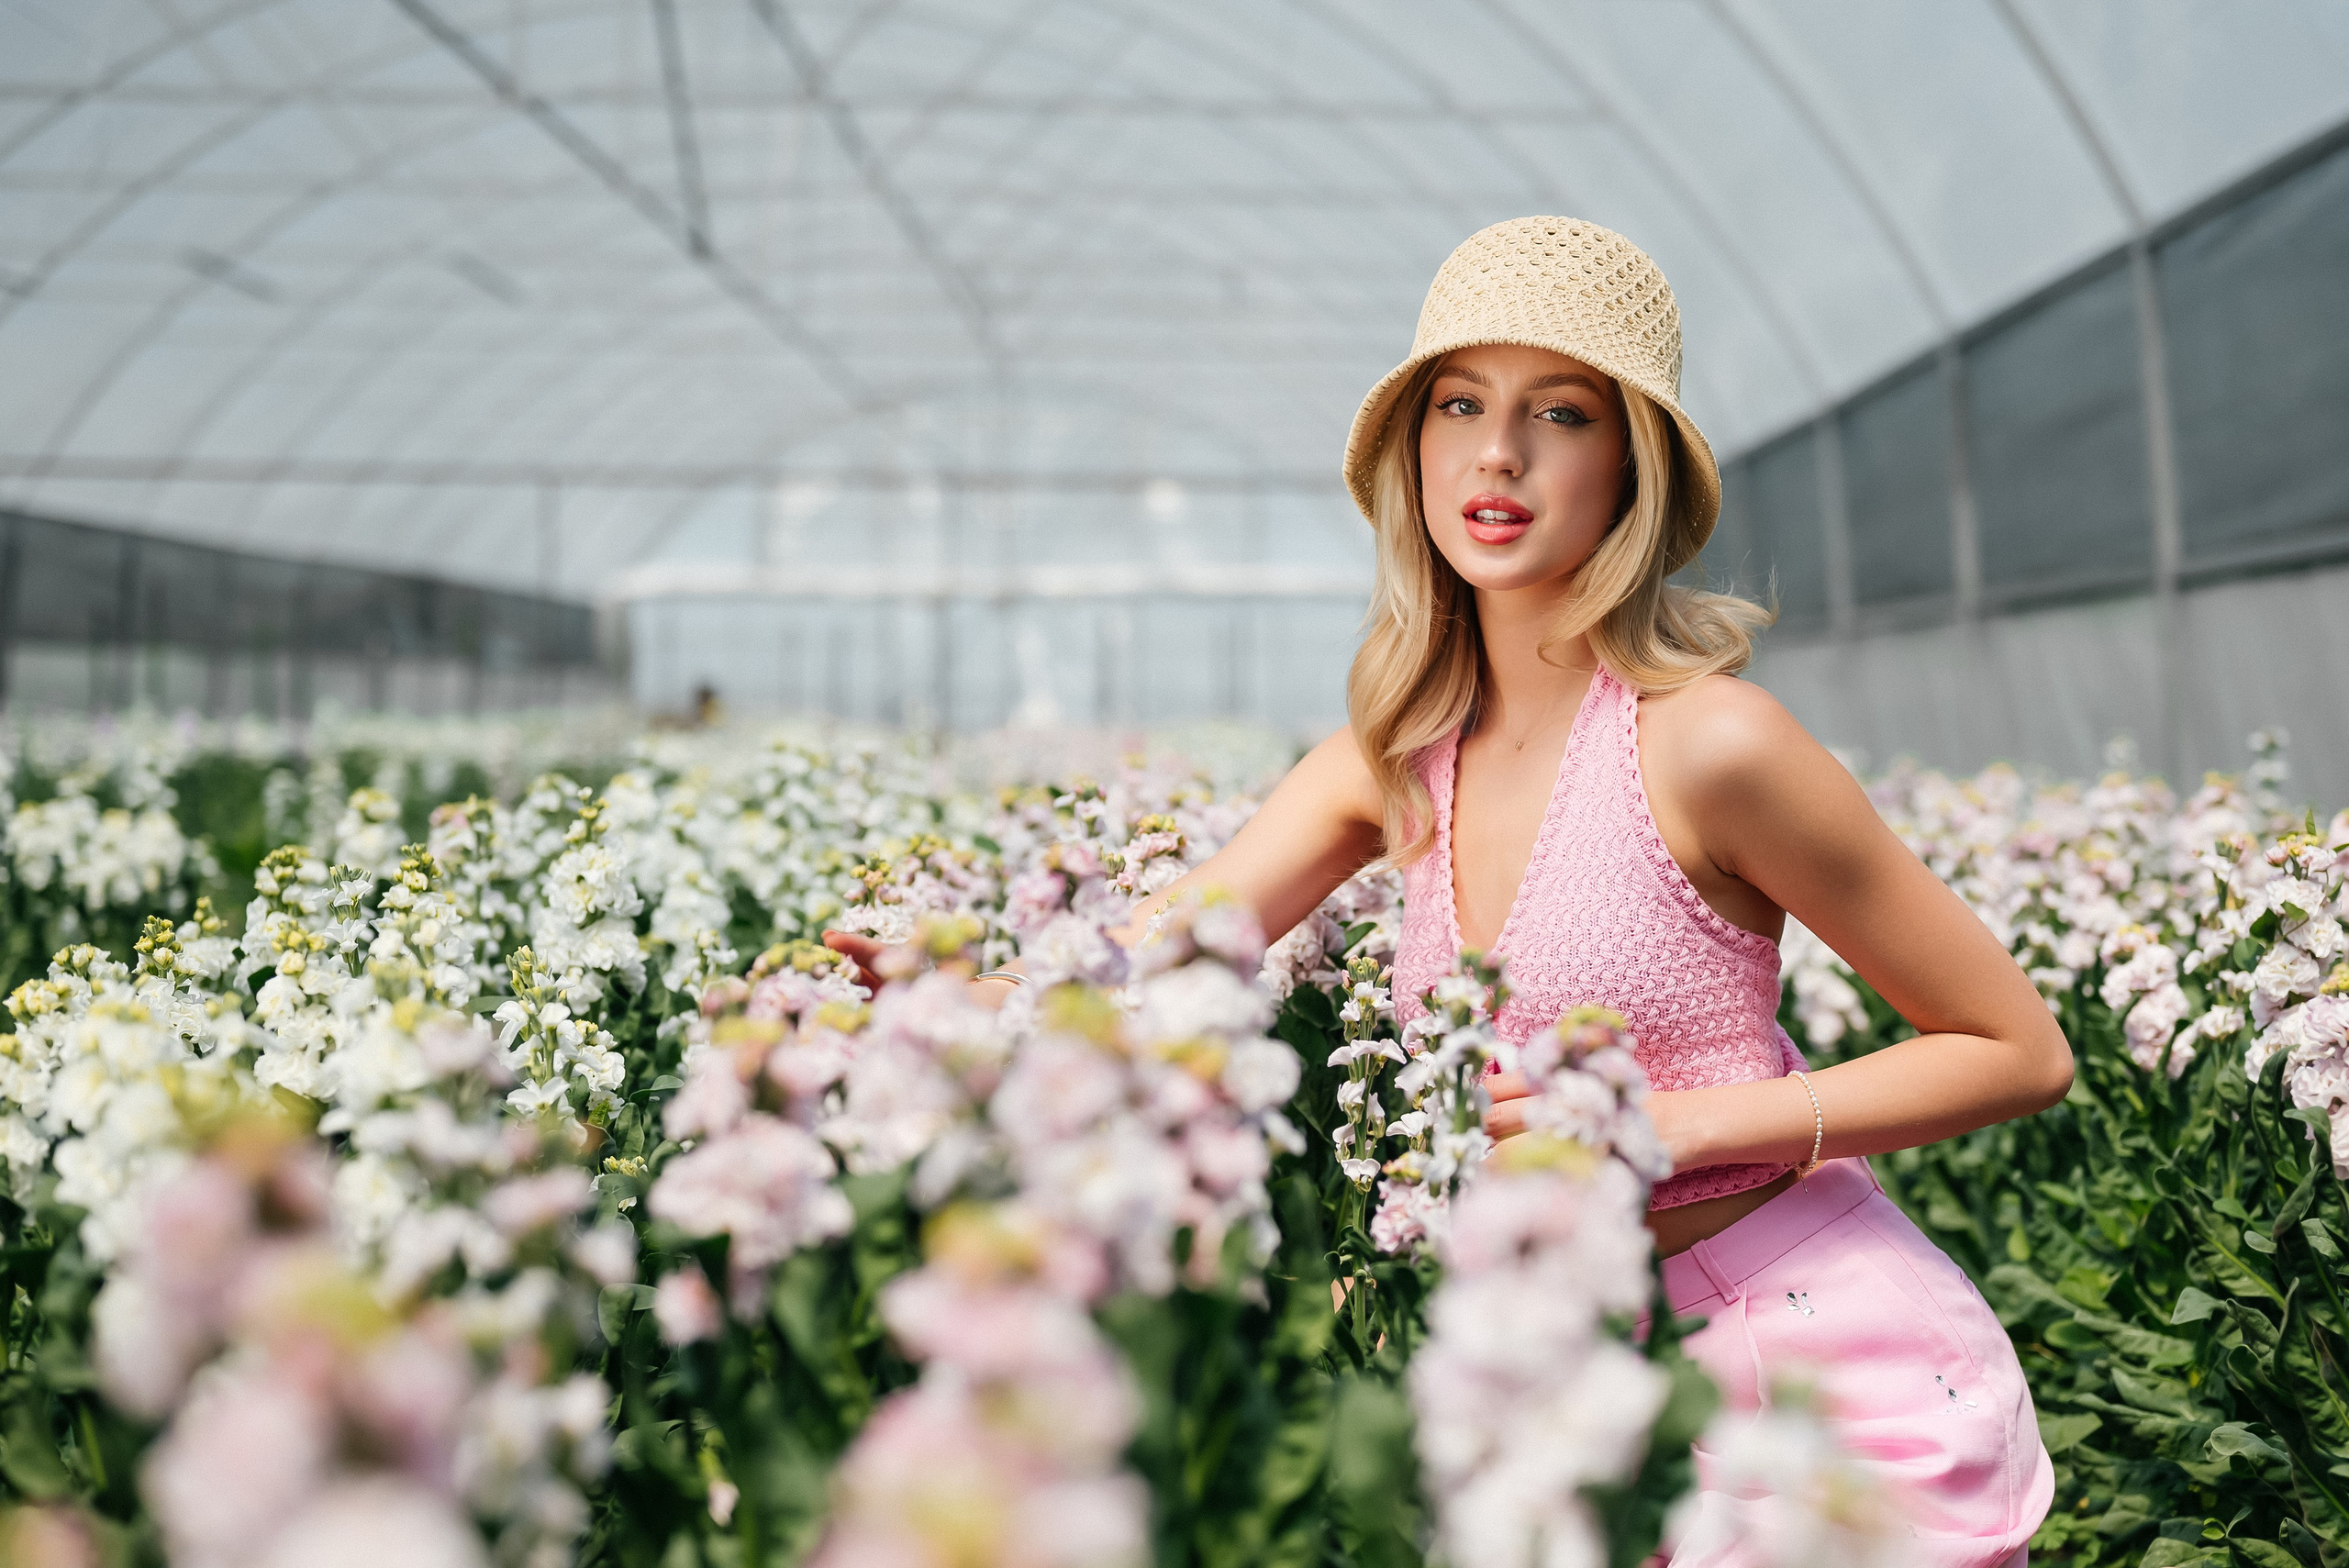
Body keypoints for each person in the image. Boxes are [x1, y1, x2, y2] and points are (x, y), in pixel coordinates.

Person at [835, 217, 2064, 1564]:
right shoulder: (1385, 766)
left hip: (1814, 1379)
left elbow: (2017, 1049)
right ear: (1411, 451)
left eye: (1560, 412)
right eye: (1460, 404)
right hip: (1560, 1389)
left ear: (1630, 464)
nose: (1499, 453)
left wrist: (1689, 1123)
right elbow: (1146, 959)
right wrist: (946, 998)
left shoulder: (1716, 743)